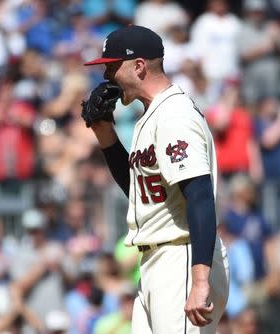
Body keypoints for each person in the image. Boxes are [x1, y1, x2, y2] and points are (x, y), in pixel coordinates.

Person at [81, 25, 229, 333]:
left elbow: (200, 195)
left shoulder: (174, 115)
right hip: (155, 262)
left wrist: (199, 280)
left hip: (182, 255)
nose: (106, 79)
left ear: (138, 66)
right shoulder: (150, 115)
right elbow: (140, 190)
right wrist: (104, 132)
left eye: (111, 68)